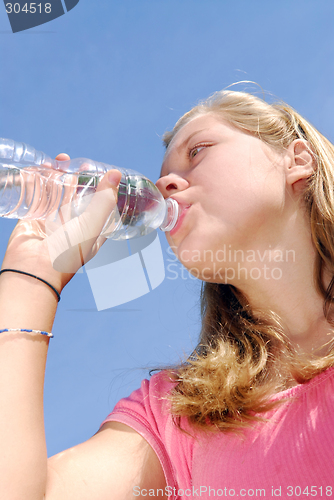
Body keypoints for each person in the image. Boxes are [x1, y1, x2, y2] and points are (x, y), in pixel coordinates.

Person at [0, 88, 333, 500]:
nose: (165, 183)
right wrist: (30, 277)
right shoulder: (179, 414)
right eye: (164, 174)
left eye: (198, 151)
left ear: (296, 160)